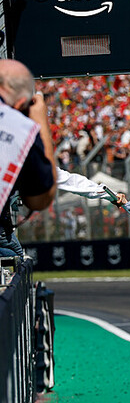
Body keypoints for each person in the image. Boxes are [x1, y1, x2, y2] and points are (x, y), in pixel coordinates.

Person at [0, 59, 56, 257]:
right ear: (21, 103)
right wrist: (39, 122)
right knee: (15, 256)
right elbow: (40, 199)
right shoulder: (18, 128)